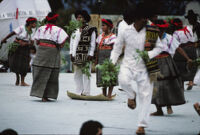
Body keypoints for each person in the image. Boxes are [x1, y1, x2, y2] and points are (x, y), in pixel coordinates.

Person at [110, 4, 163, 135]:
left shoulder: (152, 31)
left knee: (146, 96)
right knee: (122, 81)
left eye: (146, 18)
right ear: (135, 19)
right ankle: (131, 95)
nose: (145, 20)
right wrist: (111, 63)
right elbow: (117, 48)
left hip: (146, 68)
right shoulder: (125, 31)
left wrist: (149, 53)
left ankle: (141, 126)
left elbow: (160, 48)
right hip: (127, 65)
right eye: (142, 18)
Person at [150, 19, 188, 116]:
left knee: (168, 84)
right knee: (155, 86)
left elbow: (178, 48)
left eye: (160, 29)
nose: (159, 31)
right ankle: (159, 109)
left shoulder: (168, 37)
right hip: (154, 62)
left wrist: (188, 58)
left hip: (166, 62)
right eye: (157, 29)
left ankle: (168, 106)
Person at [30, 12, 68, 102]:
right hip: (52, 52)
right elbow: (62, 44)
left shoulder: (40, 28)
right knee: (51, 73)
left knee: (40, 71)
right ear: (55, 20)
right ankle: (45, 96)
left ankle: (42, 94)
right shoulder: (59, 30)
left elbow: (37, 41)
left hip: (41, 52)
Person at [1, 17, 37, 86]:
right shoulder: (22, 28)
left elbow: (32, 43)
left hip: (25, 48)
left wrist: (27, 43)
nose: (35, 24)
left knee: (25, 64)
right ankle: (17, 78)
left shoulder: (32, 32)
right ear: (30, 23)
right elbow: (12, 33)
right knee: (16, 63)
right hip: (17, 47)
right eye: (34, 23)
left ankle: (22, 81)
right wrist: (4, 39)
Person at [70, 10, 97, 96]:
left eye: (80, 17)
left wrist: (91, 54)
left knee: (86, 73)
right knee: (77, 74)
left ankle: (86, 92)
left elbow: (93, 43)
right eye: (77, 17)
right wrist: (71, 53)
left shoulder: (91, 30)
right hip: (76, 54)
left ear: (85, 18)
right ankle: (79, 91)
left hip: (86, 54)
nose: (78, 19)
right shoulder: (75, 30)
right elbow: (72, 42)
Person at [172, 18, 197, 90]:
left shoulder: (175, 33)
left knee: (179, 65)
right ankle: (191, 81)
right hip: (192, 48)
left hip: (183, 49)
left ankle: (181, 85)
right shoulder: (188, 28)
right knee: (192, 64)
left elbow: (176, 45)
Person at [96, 19, 117, 98]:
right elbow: (98, 48)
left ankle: (109, 94)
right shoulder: (100, 36)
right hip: (101, 57)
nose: (102, 27)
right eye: (102, 25)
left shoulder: (113, 36)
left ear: (109, 27)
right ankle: (104, 93)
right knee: (102, 74)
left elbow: (115, 49)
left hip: (109, 56)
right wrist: (96, 58)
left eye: (104, 25)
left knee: (110, 74)